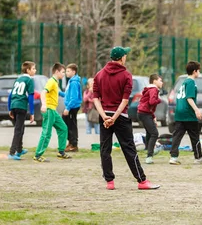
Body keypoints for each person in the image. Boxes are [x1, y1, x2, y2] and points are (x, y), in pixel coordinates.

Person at [93, 46, 159, 190]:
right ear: (122, 58)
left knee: (105, 149)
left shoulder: (99, 75)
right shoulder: (126, 75)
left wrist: (105, 116)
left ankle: (109, 182)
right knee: (129, 148)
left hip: (104, 116)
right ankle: (142, 181)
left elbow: (96, 99)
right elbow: (124, 101)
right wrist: (114, 117)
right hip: (120, 116)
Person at [169, 61, 202, 165]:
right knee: (194, 136)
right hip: (188, 113)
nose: (199, 72)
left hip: (179, 112)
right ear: (194, 71)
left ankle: (173, 157)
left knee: (177, 136)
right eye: (199, 70)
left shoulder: (184, 82)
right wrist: (196, 110)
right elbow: (189, 98)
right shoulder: (191, 82)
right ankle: (198, 157)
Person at [34, 63, 71, 163]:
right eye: (63, 72)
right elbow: (43, 92)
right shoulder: (51, 81)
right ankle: (38, 155)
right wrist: (44, 104)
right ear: (57, 72)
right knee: (46, 133)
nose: (64, 74)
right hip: (49, 110)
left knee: (63, 128)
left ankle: (61, 152)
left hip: (53, 111)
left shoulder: (55, 82)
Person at [7, 61, 36, 160]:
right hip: (21, 106)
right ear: (28, 70)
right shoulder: (29, 80)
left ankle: (19, 150)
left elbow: (10, 95)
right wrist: (32, 113)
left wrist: (10, 108)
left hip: (14, 105)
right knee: (18, 130)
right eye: (33, 69)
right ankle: (12, 153)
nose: (35, 70)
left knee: (21, 128)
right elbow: (31, 97)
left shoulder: (18, 79)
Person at [138, 74, 163, 164]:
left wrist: (153, 117)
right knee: (154, 133)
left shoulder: (148, 89)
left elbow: (149, 106)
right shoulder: (154, 89)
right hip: (144, 113)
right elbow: (152, 102)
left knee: (149, 133)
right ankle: (149, 155)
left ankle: (148, 151)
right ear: (154, 81)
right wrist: (159, 100)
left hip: (143, 113)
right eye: (160, 80)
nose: (162, 82)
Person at [63, 63, 82, 153]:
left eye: (68, 71)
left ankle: (73, 144)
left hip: (72, 107)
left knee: (71, 125)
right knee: (68, 124)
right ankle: (71, 142)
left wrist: (68, 108)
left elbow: (74, 98)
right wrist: (59, 93)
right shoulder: (71, 81)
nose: (66, 73)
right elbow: (68, 95)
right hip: (71, 106)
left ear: (74, 72)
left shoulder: (74, 82)